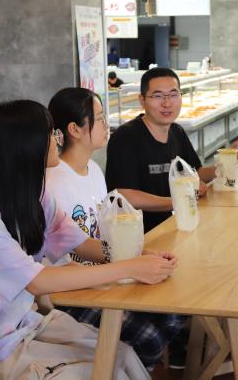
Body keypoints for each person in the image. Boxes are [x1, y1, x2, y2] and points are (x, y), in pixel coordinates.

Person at [0, 100, 178, 379]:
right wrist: (129, 267)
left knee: (121, 355)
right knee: (105, 369)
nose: (56, 139)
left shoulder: (33, 192)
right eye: (50, 133)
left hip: (21, 323)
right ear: (26, 144)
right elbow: (36, 281)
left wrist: (140, 255)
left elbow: (80, 243)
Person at [46, 87, 186, 370]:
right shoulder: (53, 182)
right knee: (149, 338)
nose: (106, 124)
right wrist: (128, 266)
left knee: (176, 312)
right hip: (70, 289)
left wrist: (142, 255)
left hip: (106, 273)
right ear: (74, 129)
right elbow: (64, 258)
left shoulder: (94, 171)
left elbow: (101, 237)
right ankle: (118, 369)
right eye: (99, 118)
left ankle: (125, 368)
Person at [105, 67, 238, 234]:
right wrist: (178, 201)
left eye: (173, 95)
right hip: (138, 235)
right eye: (158, 96)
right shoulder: (125, 138)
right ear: (142, 100)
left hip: (172, 225)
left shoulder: (176, 132)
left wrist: (225, 166)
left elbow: (196, 173)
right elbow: (124, 195)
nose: (167, 103)